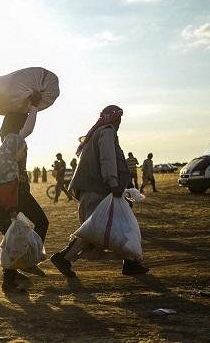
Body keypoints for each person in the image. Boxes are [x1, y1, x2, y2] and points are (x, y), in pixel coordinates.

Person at [50, 105, 148, 278]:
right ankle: (63, 257)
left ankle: (130, 261)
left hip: (96, 190)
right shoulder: (107, 132)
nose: (119, 123)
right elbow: (107, 158)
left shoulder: (97, 133)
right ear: (115, 119)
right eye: (119, 119)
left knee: (106, 227)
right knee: (96, 230)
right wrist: (113, 183)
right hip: (99, 189)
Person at [0, 92, 50, 294]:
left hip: (8, 198)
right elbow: (28, 128)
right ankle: (24, 265)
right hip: (12, 197)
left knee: (14, 238)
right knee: (29, 231)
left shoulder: (6, 146)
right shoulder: (14, 140)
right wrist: (33, 105)